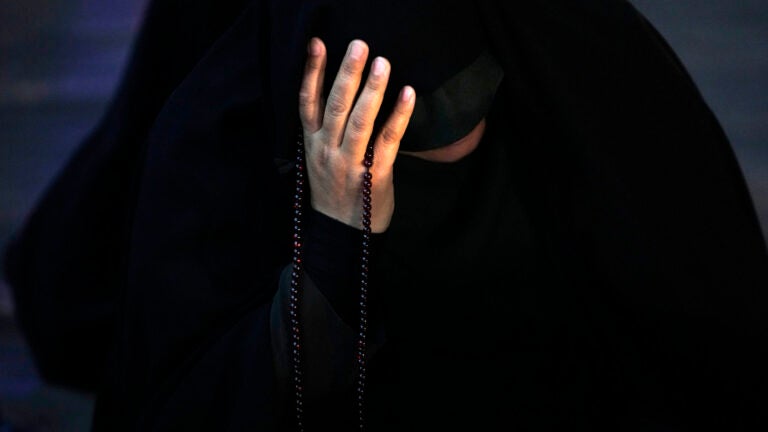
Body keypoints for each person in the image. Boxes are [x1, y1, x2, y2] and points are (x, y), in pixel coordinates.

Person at [4, 0, 768, 430]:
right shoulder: (220, 152)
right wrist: (334, 248)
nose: (386, 156)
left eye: (425, 123)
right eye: (356, 122)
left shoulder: (591, 119)